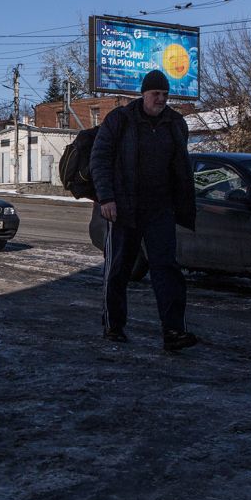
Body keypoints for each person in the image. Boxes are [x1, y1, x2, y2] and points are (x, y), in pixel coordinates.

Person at [89, 69, 199, 351]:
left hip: (160, 209)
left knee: (167, 269)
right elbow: (99, 160)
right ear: (143, 94)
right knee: (118, 269)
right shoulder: (121, 120)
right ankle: (114, 326)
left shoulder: (175, 123)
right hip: (123, 209)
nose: (161, 99)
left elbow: (181, 166)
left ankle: (174, 331)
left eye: (165, 94)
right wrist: (106, 198)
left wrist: (182, 203)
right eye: (155, 94)